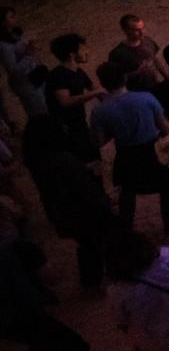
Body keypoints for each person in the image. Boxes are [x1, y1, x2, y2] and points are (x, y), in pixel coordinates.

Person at [0, 233, 92, 351]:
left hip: (8, 321)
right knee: (75, 347)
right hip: (19, 313)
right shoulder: (20, 246)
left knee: (37, 339)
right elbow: (53, 278)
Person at [23, 115, 115, 290]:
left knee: (86, 245)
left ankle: (90, 281)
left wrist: (82, 168)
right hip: (82, 213)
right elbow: (85, 191)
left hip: (61, 212)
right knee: (95, 244)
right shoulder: (63, 160)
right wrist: (107, 203)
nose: (64, 128)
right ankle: (94, 282)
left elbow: (58, 182)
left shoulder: (36, 159)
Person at [90, 60, 169, 237]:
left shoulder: (99, 110)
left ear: (102, 83)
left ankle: (126, 230)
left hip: (127, 153)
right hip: (153, 148)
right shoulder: (146, 97)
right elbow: (166, 128)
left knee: (128, 191)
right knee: (167, 188)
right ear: (124, 77)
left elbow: (99, 141)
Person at [45, 32, 103, 162]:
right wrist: (96, 93)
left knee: (94, 158)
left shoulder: (79, 71)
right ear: (72, 54)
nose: (87, 51)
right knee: (84, 162)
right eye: (83, 49)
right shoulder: (58, 76)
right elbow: (65, 101)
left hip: (80, 124)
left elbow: (96, 90)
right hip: (66, 130)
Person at [0, 6, 47, 118]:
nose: (16, 18)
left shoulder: (14, 34)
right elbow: (13, 70)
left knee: (46, 106)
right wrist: (29, 54)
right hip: (26, 83)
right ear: (2, 22)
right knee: (39, 114)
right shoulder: (3, 45)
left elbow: (22, 53)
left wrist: (29, 48)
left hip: (34, 76)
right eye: (11, 17)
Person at [109, 13, 167, 93]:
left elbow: (155, 60)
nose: (142, 32)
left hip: (155, 87)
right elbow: (115, 80)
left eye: (143, 28)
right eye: (137, 30)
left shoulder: (148, 41)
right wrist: (137, 72)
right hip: (137, 93)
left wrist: (168, 78)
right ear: (126, 30)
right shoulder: (117, 54)